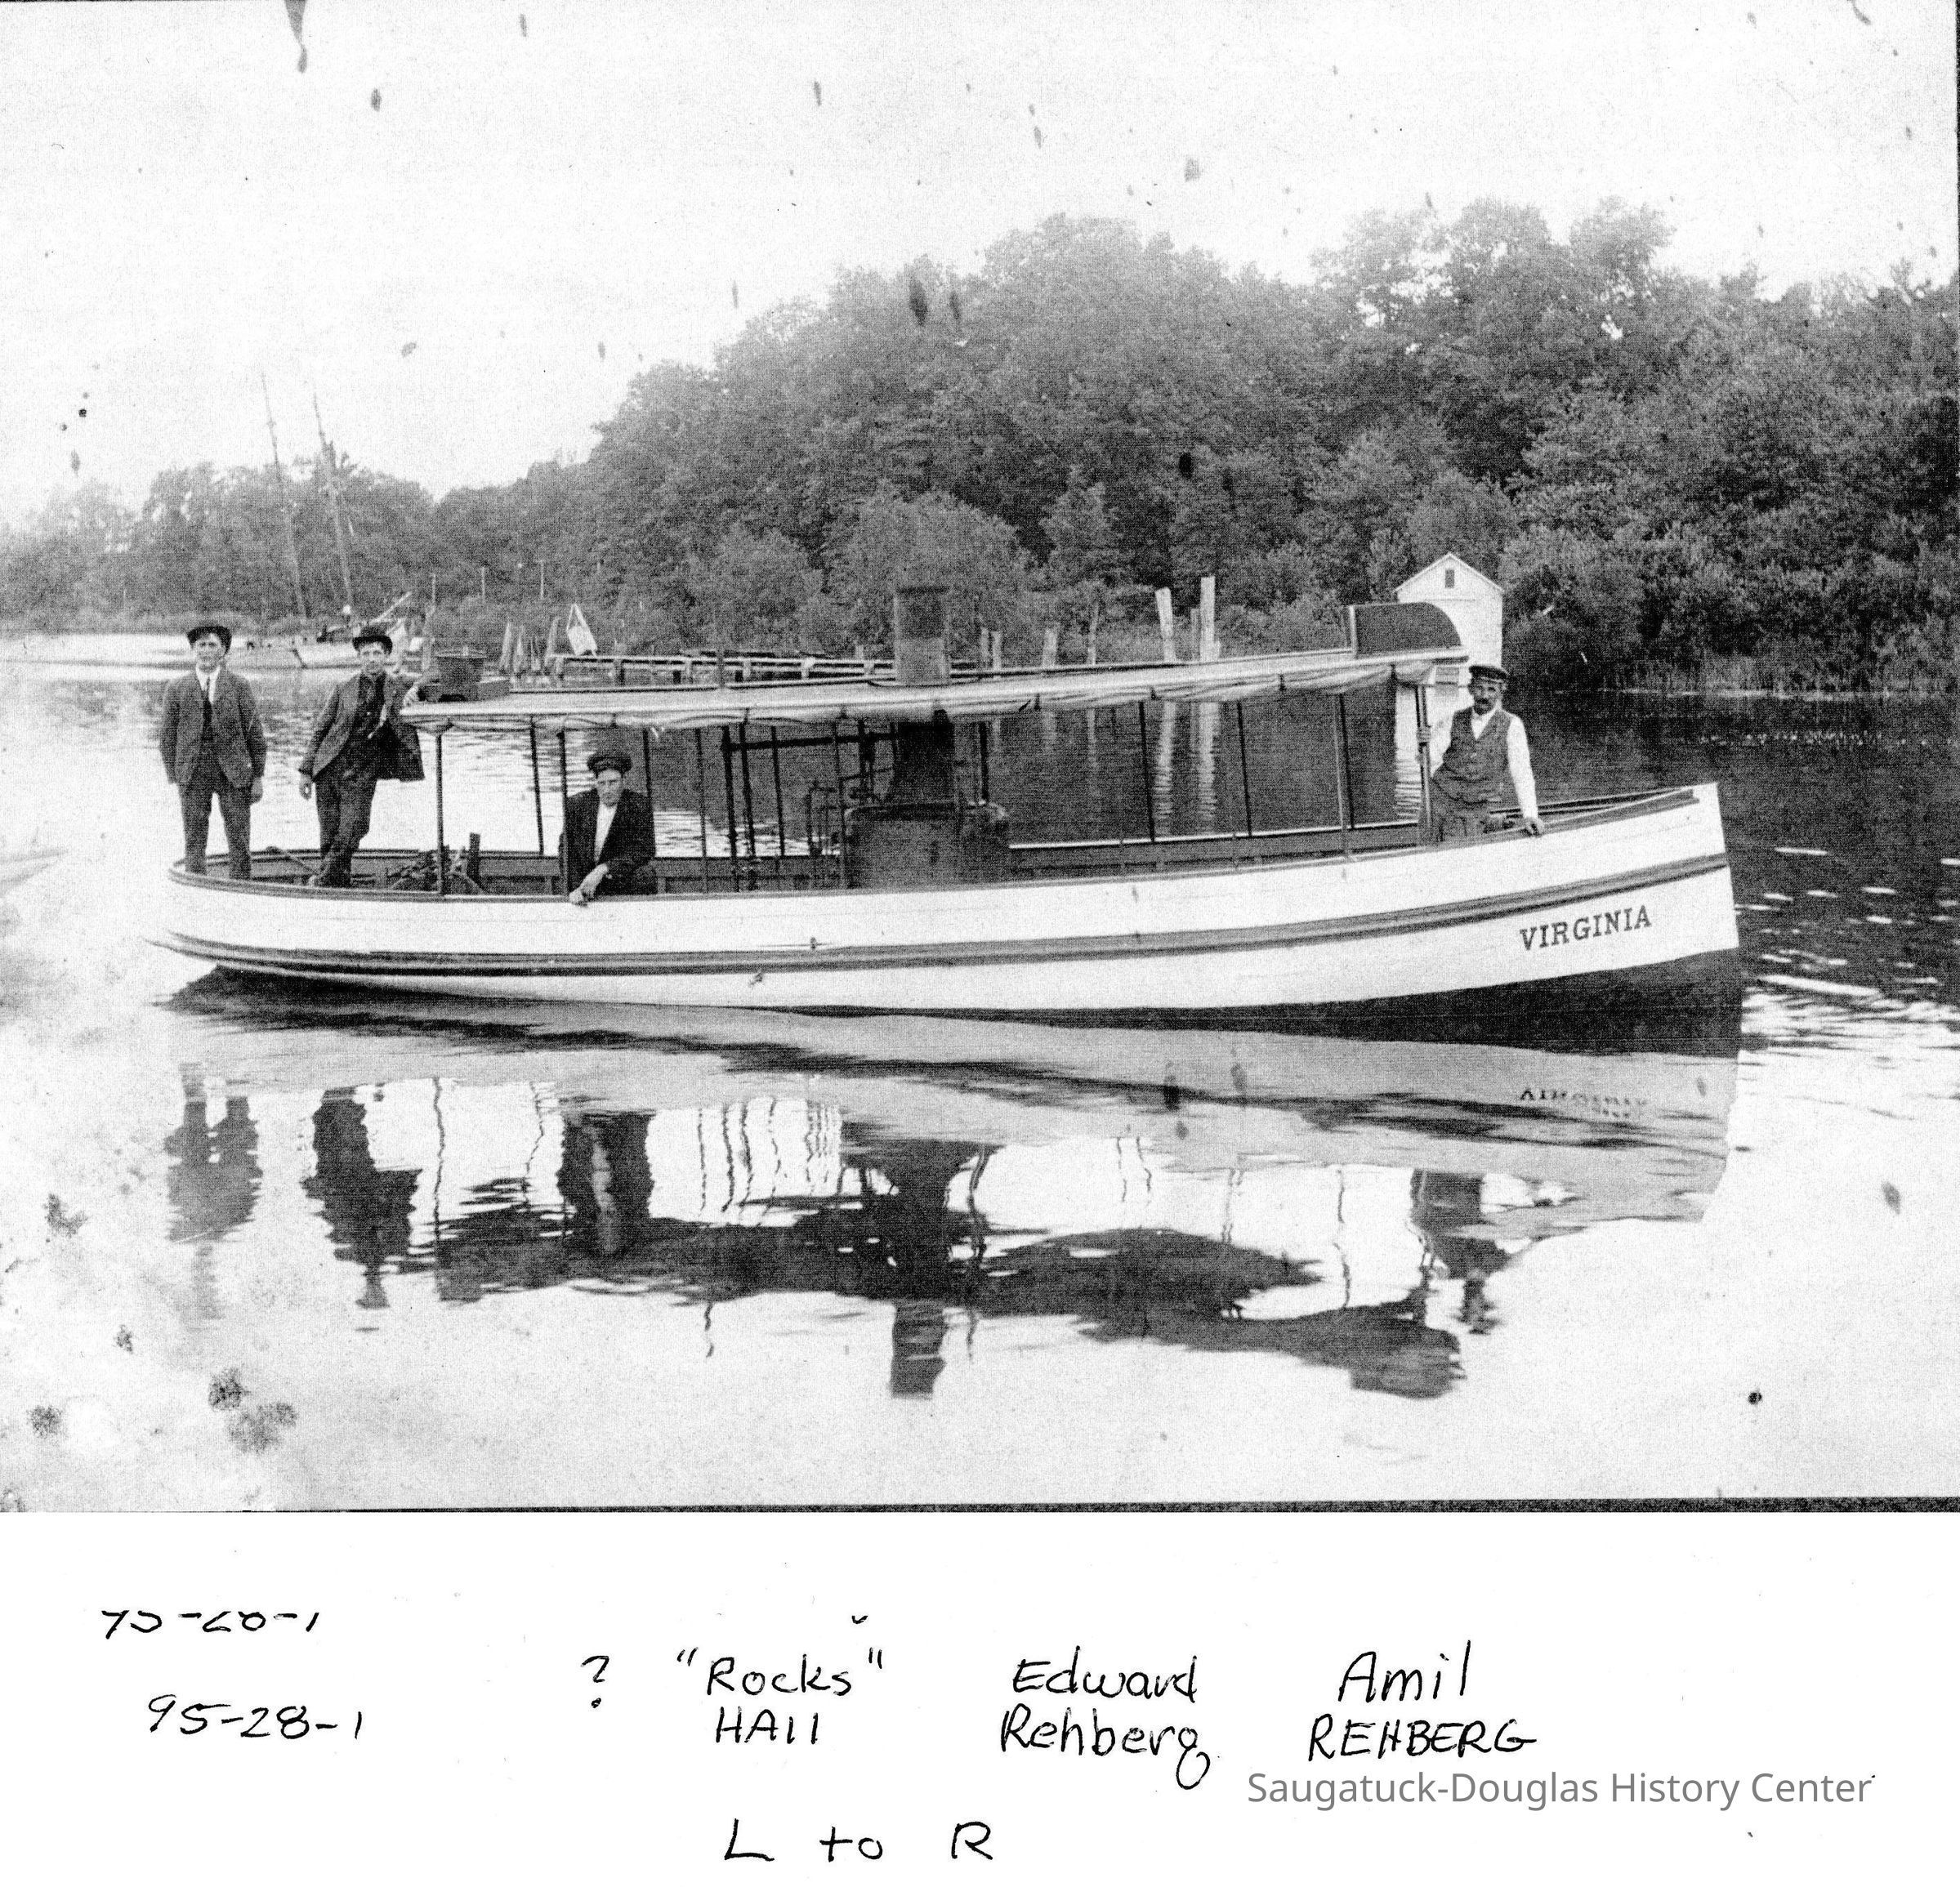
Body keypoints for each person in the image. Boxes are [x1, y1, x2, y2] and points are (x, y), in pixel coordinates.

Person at [297, 627, 425, 886]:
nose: (372, 658)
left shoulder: (399, 685)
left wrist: (417, 690)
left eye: (377, 652)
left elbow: (435, 674)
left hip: (365, 769)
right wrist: (305, 770)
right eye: (366, 653)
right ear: (359, 657)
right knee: (330, 832)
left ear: (387, 655)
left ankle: (322, 880)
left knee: (354, 826)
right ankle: (336, 885)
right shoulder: (343, 688)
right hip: (329, 766)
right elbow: (321, 729)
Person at [158, 622, 266, 877]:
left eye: (212, 645)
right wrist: (176, 776)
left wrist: (258, 776)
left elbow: (255, 733)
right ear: (193, 651)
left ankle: (242, 888)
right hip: (193, 772)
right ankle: (196, 889)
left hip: (234, 772)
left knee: (239, 838)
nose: (206, 651)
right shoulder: (176, 688)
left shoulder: (239, 686)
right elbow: (167, 737)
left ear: (223, 652)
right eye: (201, 645)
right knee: (194, 839)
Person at [1427, 662, 1543, 841]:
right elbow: (1428, 758)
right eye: (1479, 688)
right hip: (1437, 804)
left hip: (1475, 809)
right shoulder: (1452, 720)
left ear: (1501, 692)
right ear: (1470, 689)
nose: (1484, 696)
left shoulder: (1512, 726)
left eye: (1491, 690)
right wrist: (1424, 742)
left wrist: (1530, 814)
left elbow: (1522, 774)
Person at [562, 745, 654, 903]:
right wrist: (576, 888)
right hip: (584, 882)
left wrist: (603, 869)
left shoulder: (639, 805)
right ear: (595, 782)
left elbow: (645, 850)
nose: (607, 790)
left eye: (613, 782)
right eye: (602, 783)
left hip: (621, 881)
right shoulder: (577, 804)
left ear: (623, 781)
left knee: (646, 873)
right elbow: (566, 849)